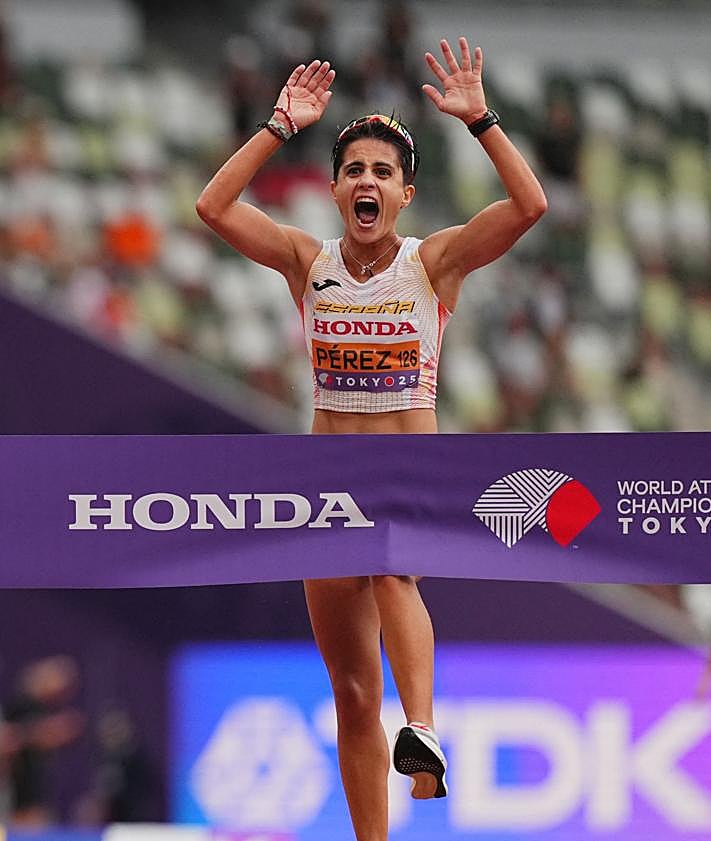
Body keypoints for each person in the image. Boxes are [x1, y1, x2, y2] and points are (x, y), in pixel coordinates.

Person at [197, 36, 546, 841]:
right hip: (323, 481)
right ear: (333, 189)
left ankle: (420, 725)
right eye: (353, 169)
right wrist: (278, 126)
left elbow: (530, 208)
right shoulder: (303, 261)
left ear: (404, 194)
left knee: (396, 573)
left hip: (402, 469)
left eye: (381, 172)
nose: (366, 180)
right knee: (352, 695)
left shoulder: (434, 265)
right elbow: (212, 209)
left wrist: (482, 120)